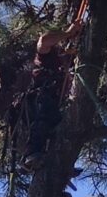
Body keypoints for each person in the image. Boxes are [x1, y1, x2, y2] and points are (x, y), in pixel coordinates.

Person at [16, 15, 84, 171]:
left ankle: (60, 164)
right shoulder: (47, 55)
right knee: (43, 117)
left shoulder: (66, 62)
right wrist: (68, 32)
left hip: (54, 102)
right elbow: (43, 41)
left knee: (61, 129)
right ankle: (31, 153)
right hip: (40, 98)